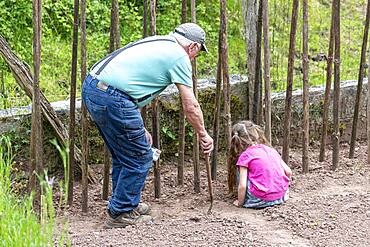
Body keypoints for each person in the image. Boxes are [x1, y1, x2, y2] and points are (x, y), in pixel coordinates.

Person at [81, 23, 213, 228]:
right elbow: (191, 105)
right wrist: (203, 134)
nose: (195, 58)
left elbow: (131, 81)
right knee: (140, 156)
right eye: (198, 53)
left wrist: (138, 126)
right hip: (113, 97)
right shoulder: (179, 56)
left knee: (124, 154)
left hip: (93, 88)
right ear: (194, 47)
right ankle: (121, 212)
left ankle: (123, 204)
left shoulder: (160, 42)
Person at [230, 121, 292, 209]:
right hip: (280, 197)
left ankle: (247, 199)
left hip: (259, 200)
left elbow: (243, 186)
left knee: (241, 169)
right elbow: (288, 172)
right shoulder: (270, 149)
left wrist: (240, 203)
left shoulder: (245, 156)